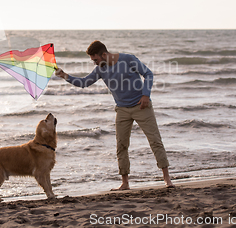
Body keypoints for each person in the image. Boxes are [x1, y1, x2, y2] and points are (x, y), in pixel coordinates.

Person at [55, 40, 174, 190]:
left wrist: (146, 95)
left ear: (104, 54)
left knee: (155, 141)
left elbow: (148, 74)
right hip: (122, 109)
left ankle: (167, 178)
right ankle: (125, 182)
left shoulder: (128, 59)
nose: (94, 63)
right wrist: (65, 75)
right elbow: (84, 83)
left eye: (95, 59)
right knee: (121, 145)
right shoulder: (100, 69)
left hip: (141, 106)